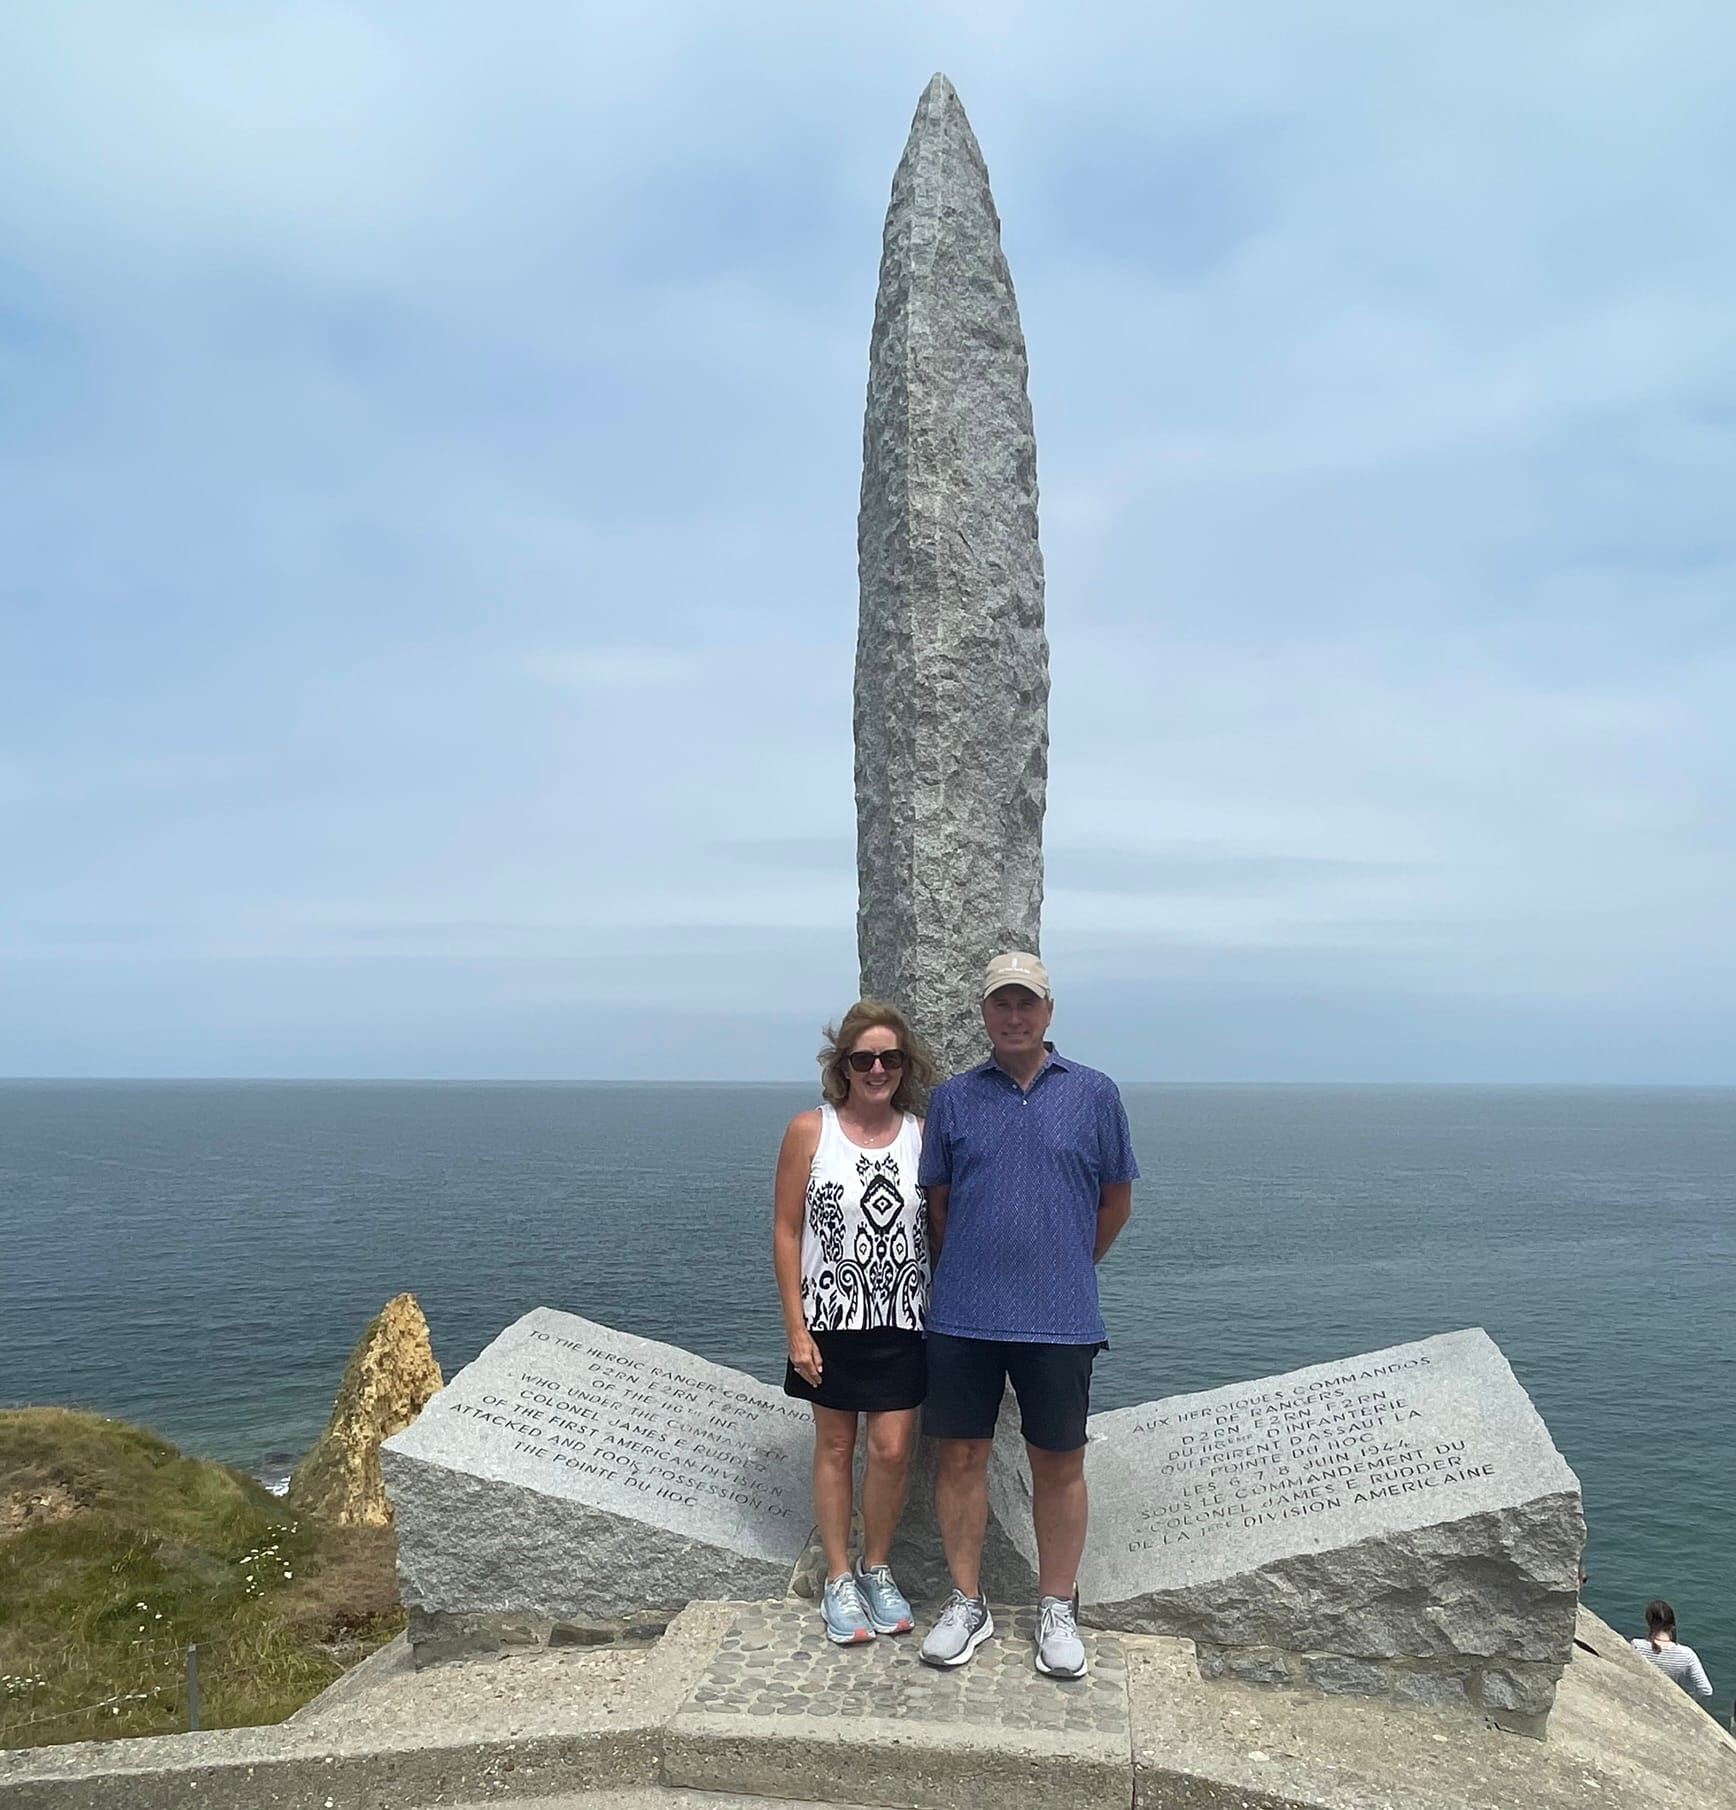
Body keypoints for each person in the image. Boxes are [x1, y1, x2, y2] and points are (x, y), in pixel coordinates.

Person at [916, 951, 1137, 1679]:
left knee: (1060, 1462)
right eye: (1001, 1003)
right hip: (964, 1314)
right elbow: (940, 1205)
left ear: (1048, 1011)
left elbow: (1116, 1200)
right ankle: (966, 1601)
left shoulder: (1095, 1094)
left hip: (1062, 1315)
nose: (1014, 1016)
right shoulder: (954, 1099)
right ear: (984, 1013)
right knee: (960, 1457)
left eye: (1026, 1003)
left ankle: (1057, 1607)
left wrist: (1068, 1262)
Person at [773, 999, 935, 1646]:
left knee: (891, 1452)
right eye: (864, 1058)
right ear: (842, 1065)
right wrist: (796, 1329)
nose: (877, 1069)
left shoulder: (922, 1135)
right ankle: (838, 1577)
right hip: (830, 1318)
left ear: (904, 1065)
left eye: (889, 1058)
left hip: (902, 1318)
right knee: (836, 1449)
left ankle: (876, 1568)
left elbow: (941, 1227)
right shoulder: (809, 1131)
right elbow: (787, 1232)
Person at [1631, 1599, 1714, 1699]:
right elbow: (1706, 1690)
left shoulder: (1637, 1645)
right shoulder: (1687, 1654)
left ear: (1648, 1621)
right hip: (1669, 1698)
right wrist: (1687, 1698)